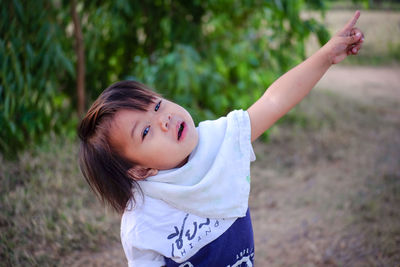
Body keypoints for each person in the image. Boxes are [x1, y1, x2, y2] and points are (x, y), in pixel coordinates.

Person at [78, 11, 364, 267]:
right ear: (140, 170)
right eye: (145, 131)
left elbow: (274, 101)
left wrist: (326, 55)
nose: (163, 118)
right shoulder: (143, 224)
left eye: (156, 105)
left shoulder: (218, 141)